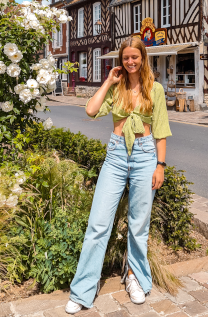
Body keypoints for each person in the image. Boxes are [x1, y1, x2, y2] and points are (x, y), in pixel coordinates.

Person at [65, 36, 172, 314]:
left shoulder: (155, 89)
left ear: (143, 58)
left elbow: (160, 130)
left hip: (146, 155)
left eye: (135, 57)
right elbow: (90, 110)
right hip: (115, 156)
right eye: (126, 57)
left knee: (139, 225)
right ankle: (83, 290)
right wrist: (108, 82)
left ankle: (135, 277)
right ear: (121, 60)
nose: (130, 61)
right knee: (99, 223)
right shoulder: (116, 87)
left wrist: (160, 165)